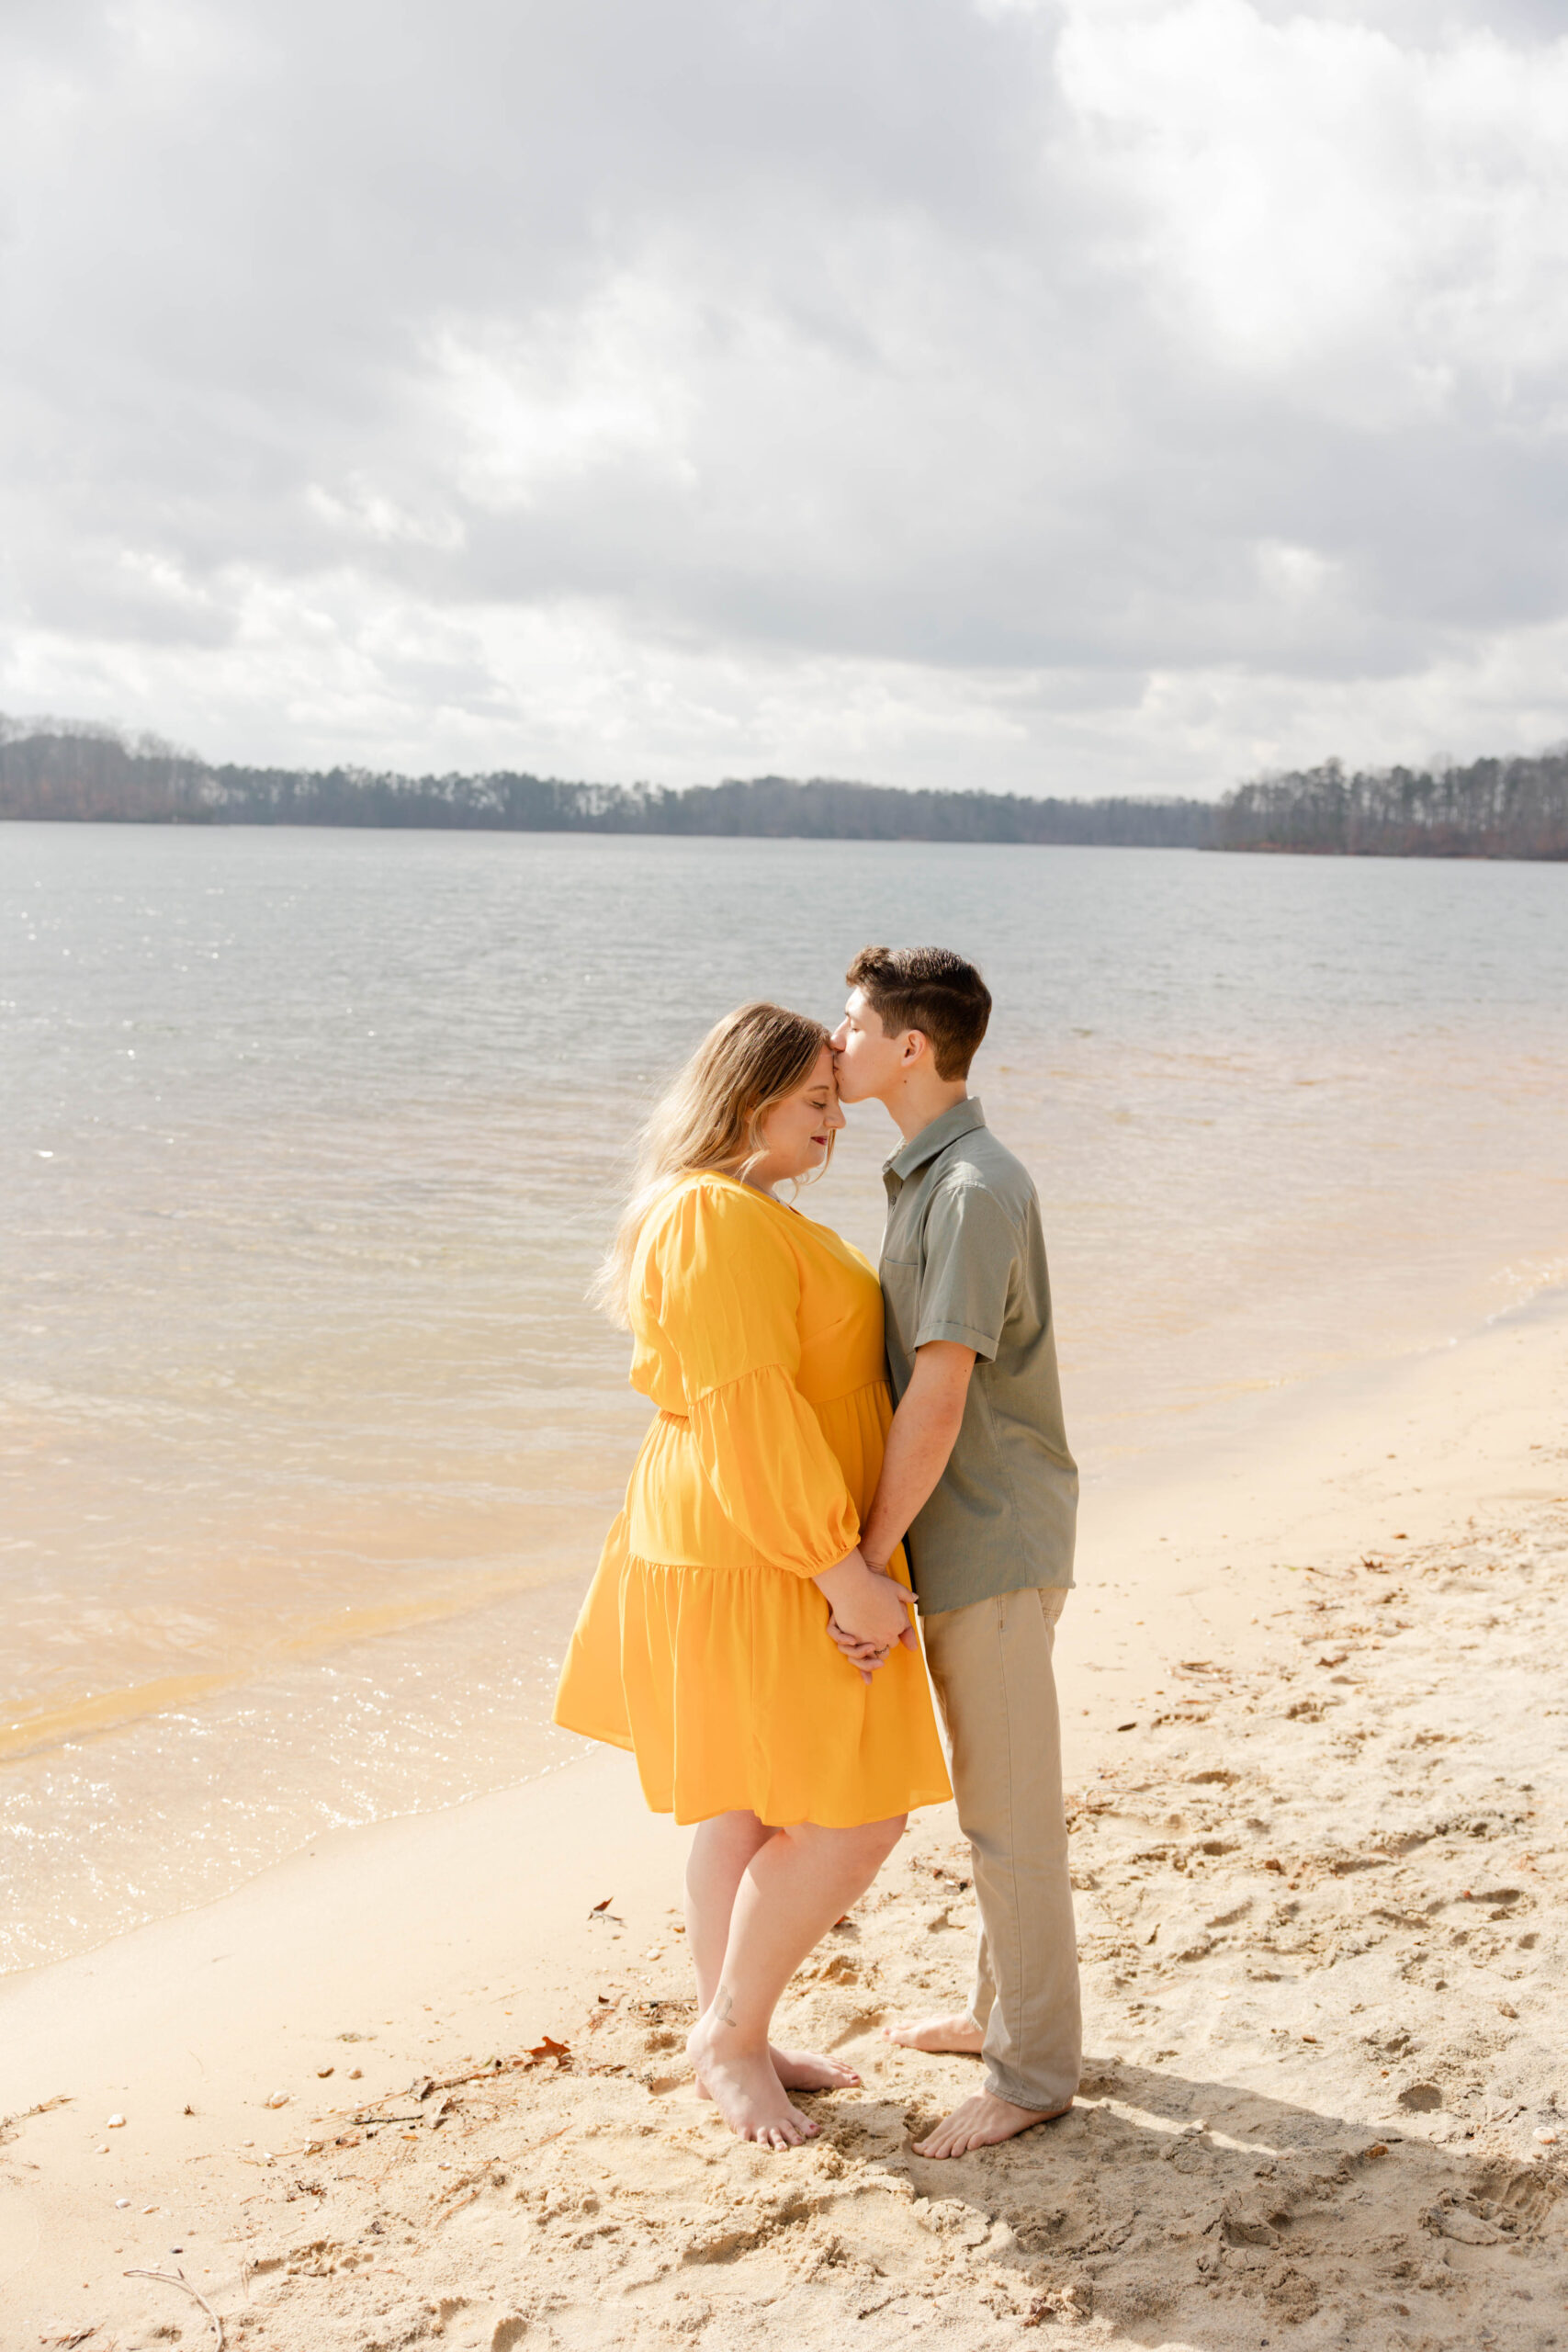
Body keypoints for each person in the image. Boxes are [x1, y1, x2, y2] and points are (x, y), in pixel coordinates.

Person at [553, 1001, 951, 2152]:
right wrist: (843, 1571)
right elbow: (746, 1414)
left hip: (748, 1539)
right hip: (761, 1548)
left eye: (836, 1100)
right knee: (856, 1814)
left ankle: (740, 2024)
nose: (836, 1123)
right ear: (747, 1101)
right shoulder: (716, 1217)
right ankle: (727, 2036)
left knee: (757, 1795)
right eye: (817, 1102)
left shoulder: (740, 1209)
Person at [829, 945, 1081, 2159]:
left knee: (1006, 1812)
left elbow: (937, 1395)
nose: (834, 1046)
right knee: (1001, 1797)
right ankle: (1003, 2021)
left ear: (909, 1048)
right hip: (981, 1529)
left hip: (985, 1533)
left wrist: (870, 1554)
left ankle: (1032, 2072)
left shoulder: (970, 1189)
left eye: (849, 1025)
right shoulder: (938, 1178)